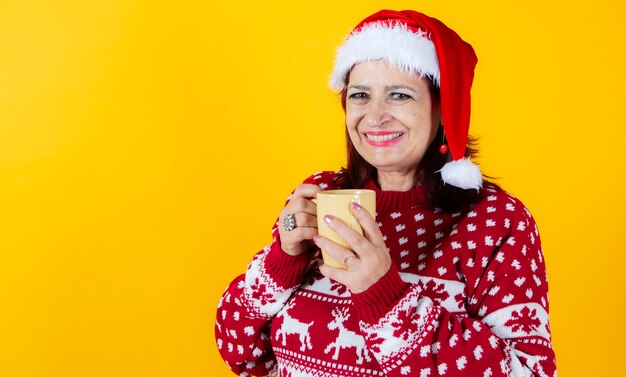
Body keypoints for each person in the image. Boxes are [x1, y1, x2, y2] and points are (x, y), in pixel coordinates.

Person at [215, 9, 556, 377]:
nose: (375, 117)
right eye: (361, 95)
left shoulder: (496, 221)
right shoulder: (321, 195)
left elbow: (529, 372)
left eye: (398, 95)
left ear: (444, 109)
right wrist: (282, 262)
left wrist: (387, 296)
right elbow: (241, 351)